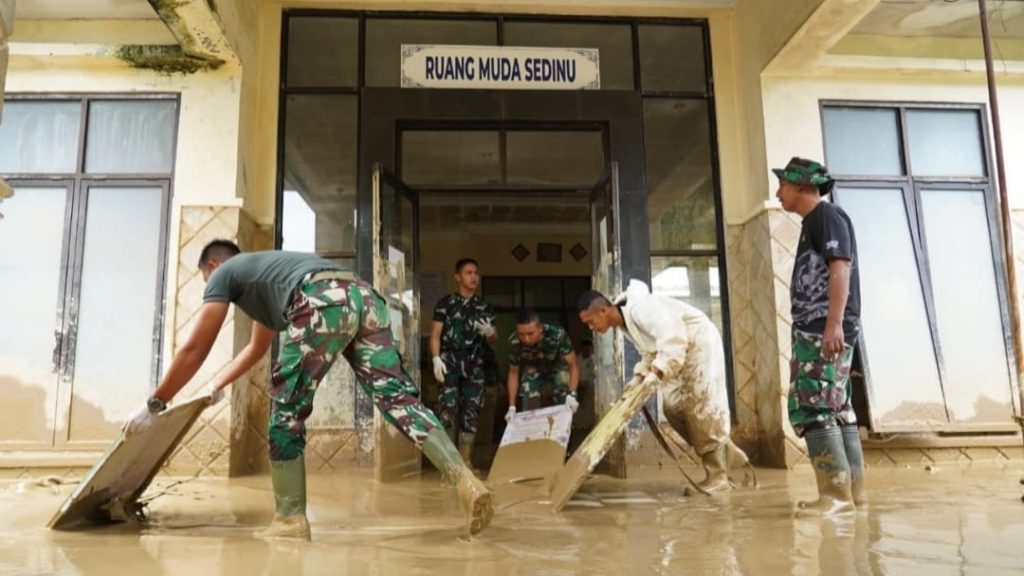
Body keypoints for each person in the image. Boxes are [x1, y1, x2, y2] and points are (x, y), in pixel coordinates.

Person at [123, 240, 493, 538]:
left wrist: (156, 402)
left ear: (213, 268)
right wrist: (216, 385)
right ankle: (464, 478)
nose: (210, 291)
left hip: (321, 299)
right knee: (398, 399)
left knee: (285, 410)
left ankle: (289, 519)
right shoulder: (269, 279)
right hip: (365, 298)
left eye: (207, 282)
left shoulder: (227, 273)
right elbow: (255, 349)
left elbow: (194, 348)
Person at [577, 280, 750, 493]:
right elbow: (651, 350)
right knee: (673, 408)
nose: (590, 328)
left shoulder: (641, 308)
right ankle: (725, 451)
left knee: (699, 408)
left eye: (590, 321)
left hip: (698, 343)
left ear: (603, 310)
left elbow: (673, 338)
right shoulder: (625, 322)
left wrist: (657, 373)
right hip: (682, 351)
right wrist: (639, 378)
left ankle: (718, 477)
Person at [774, 156, 865, 516]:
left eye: (782, 185)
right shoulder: (817, 221)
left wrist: (833, 324)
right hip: (819, 326)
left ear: (800, 186)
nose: (777, 192)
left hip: (821, 328)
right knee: (837, 407)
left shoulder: (826, 217)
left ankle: (835, 497)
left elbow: (840, 268)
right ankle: (854, 496)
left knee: (814, 406)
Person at [429, 258, 497, 465]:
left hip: (474, 364)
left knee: (471, 411)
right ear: (458, 277)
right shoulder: (445, 304)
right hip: (448, 362)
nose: (473, 276)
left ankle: (466, 461)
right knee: (448, 410)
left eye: (475, 272)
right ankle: (450, 464)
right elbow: (435, 334)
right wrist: (435, 358)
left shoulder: (484, 307)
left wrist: (490, 332)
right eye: (468, 272)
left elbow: (494, 340)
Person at [504, 309, 580, 422]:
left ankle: (565, 430)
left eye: (530, 334)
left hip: (558, 367)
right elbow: (513, 372)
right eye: (521, 335)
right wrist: (512, 407)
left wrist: (572, 394)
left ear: (540, 329)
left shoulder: (557, 334)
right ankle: (531, 431)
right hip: (534, 369)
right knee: (528, 393)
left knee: (565, 398)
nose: (526, 339)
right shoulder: (514, 342)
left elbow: (573, 365)